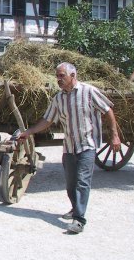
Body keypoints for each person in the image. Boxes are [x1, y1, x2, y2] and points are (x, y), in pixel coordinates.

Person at [17, 62, 121, 234]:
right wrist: (29, 132)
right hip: (69, 147)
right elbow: (47, 120)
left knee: (82, 182)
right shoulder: (58, 98)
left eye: (61, 76)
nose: (58, 79)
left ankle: (79, 220)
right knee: (71, 183)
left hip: (87, 145)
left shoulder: (89, 91)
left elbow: (108, 110)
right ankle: (75, 208)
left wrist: (114, 135)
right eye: (57, 76)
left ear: (73, 76)